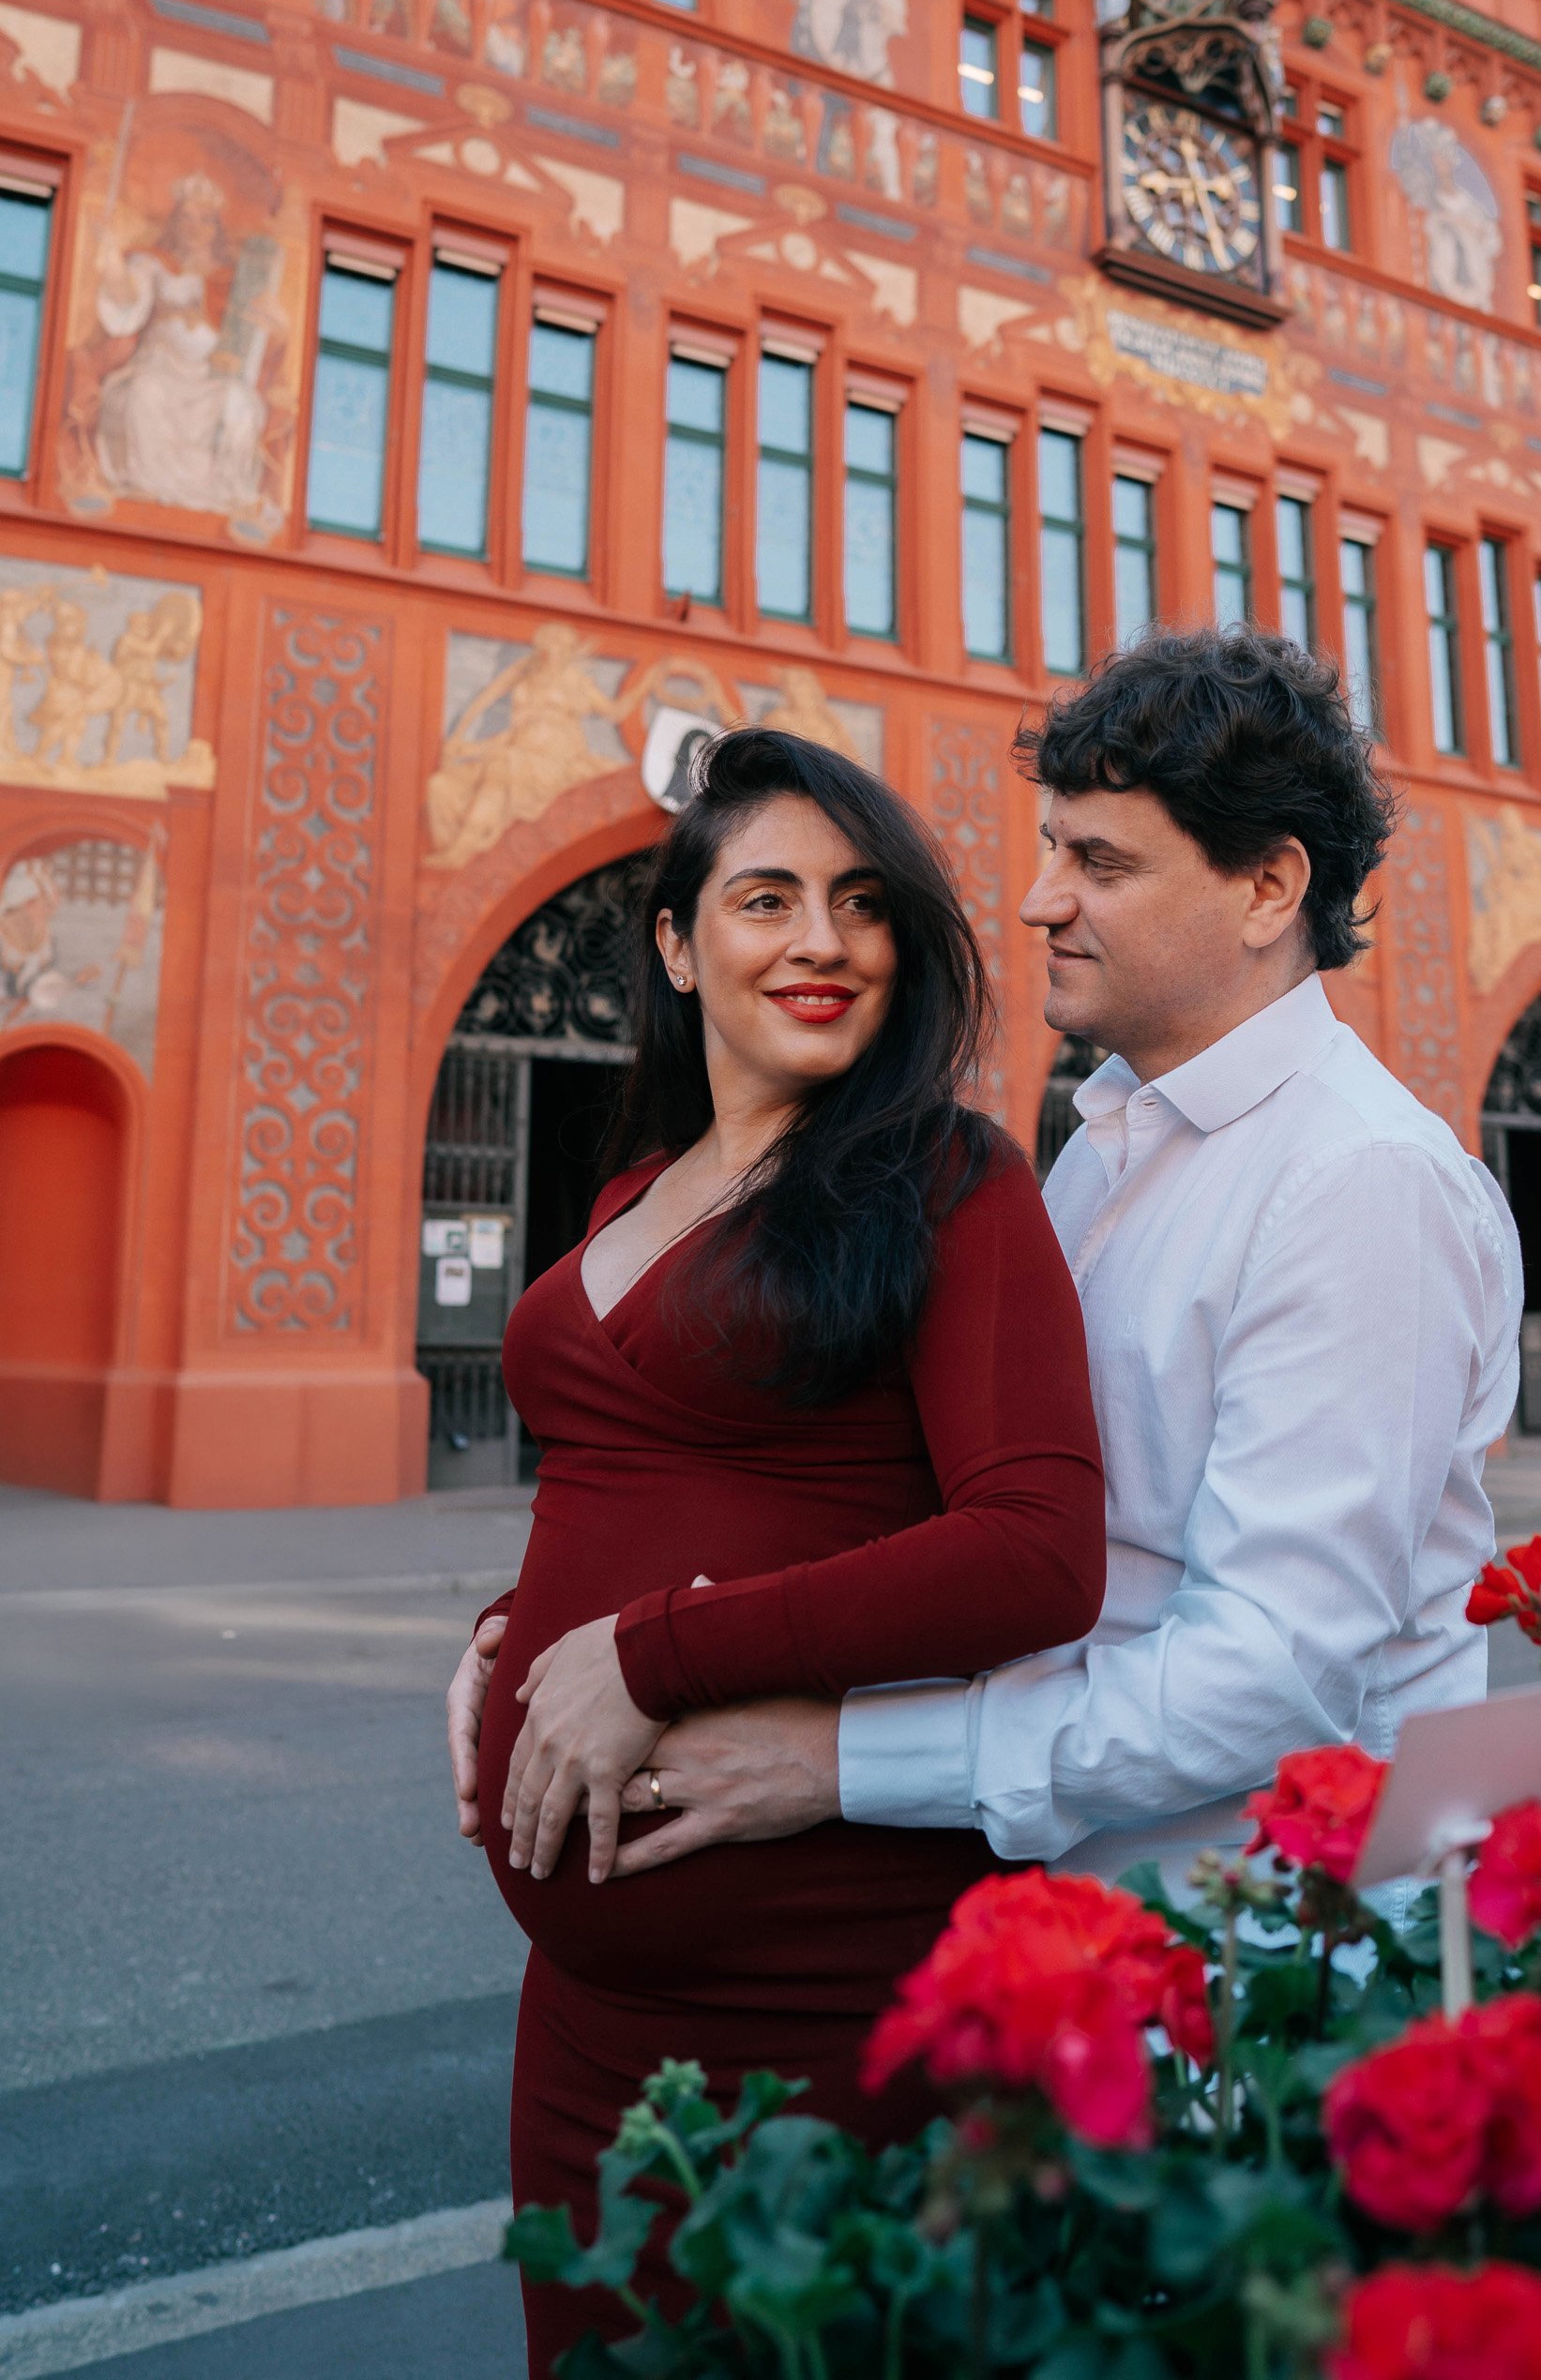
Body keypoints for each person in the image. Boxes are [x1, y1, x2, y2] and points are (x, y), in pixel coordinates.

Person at [461, 626, 1523, 1896]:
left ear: (1267, 890)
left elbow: (1269, 1677)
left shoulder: (1359, 1182)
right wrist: (545, 1639)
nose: (1040, 901)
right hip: (1067, 1910)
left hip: (1250, 1950)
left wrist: (844, 1761)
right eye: (1050, 850)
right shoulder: (1111, 1141)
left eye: (1101, 863)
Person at [448, 726, 1105, 2375]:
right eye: (766, 898)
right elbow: (633, 1473)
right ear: (678, 945)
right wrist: (509, 1632)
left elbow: (1036, 1553)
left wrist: (645, 1654)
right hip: (593, 2027)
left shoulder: (950, 1181)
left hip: (818, 1992)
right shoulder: (630, 1196)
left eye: (862, 902)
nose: (821, 940)